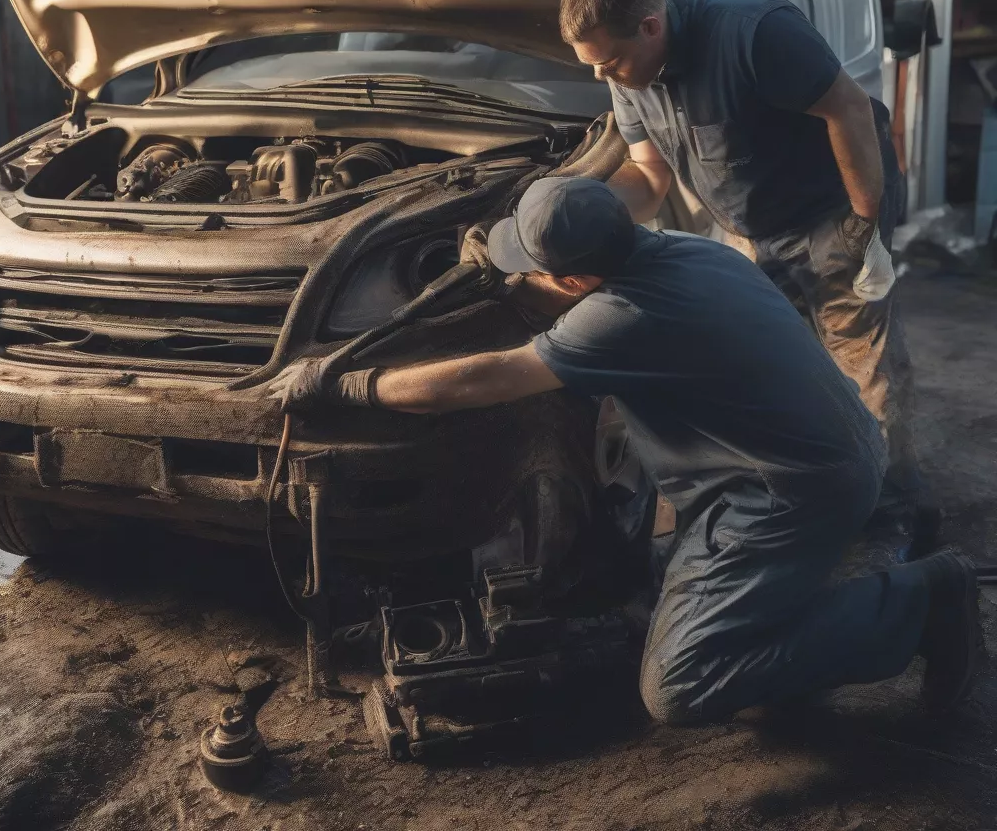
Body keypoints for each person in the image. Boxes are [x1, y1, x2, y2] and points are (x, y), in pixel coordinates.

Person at [268, 176, 981, 725]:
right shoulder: (692, 251)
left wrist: (352, 385)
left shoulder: (620, 319)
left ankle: (923, 601)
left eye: (529, 269)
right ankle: (781, 615)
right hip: (822, 450)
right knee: (656, 586)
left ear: (576, 280)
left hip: (790, 492)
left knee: (680, 684)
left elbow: (488, 380)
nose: (518, 278)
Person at [558, 0, 937, 556]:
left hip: (830, 212)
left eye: (610, 62)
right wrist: (579, 213)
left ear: (651, 25)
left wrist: (866, 227)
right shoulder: (629, 74)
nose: (606, 77)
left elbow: (849, 108)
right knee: (767, 359)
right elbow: (649, 178)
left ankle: (893, 517)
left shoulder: (755, 32)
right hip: (749, 226)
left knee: (863, 362)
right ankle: (811, 486)